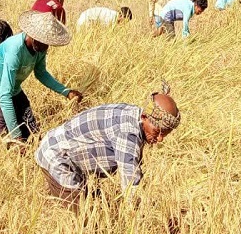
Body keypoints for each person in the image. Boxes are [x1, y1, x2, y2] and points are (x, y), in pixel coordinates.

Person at [35, 85, 181, 208]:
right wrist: (144, 217)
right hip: (57, 158)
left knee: (97, 206)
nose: (160, 139)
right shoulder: (127, 132)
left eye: (165, 134)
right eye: (157, 131)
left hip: (66, 154)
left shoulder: (135, 114)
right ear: (144, 117)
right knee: (83, 220)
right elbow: (130, 183)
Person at [0, 10, 82, 141]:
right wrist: (15, 136)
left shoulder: (39, 48)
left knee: (32, 132)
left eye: (48, 43)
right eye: (43, 42)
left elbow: (41, 73)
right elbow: (4, 96)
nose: (46, 47)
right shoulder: (15, 51)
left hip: (14, 89)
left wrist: (66, 92)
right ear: (33, 36)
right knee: (4, 140)